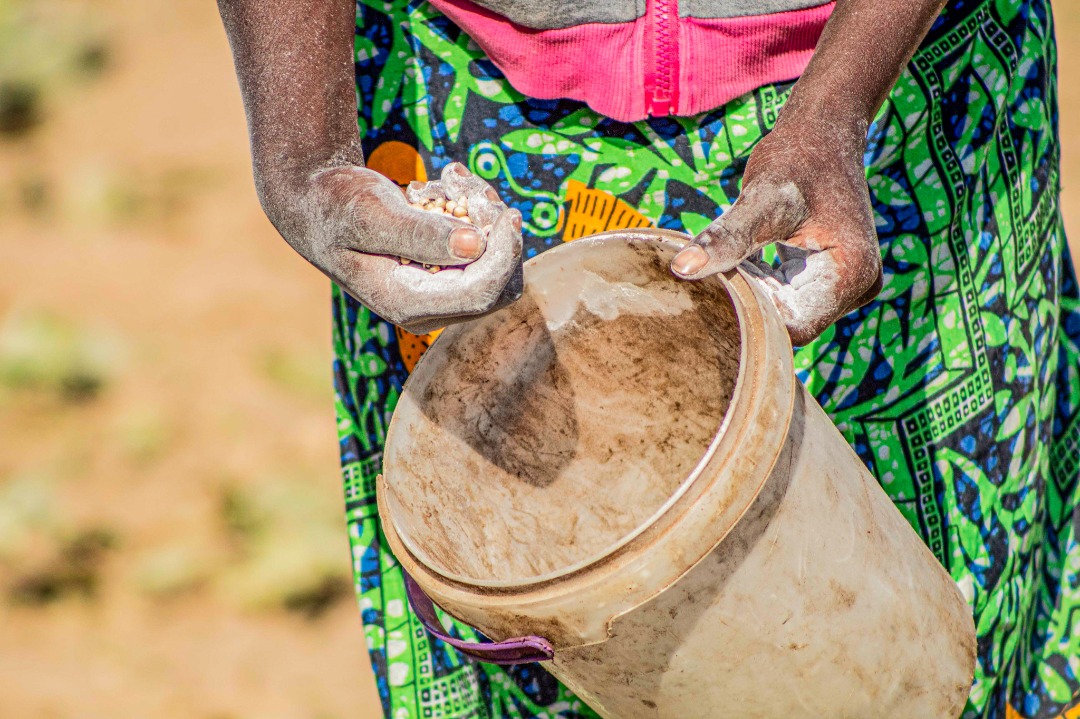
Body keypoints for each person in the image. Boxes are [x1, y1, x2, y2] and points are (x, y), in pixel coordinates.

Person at [216, 0, 1080, 716]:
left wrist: (839, 106)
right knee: (537, 613)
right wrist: (305, 158)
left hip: (890, 92)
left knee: (911, 642)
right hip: (471, 94)